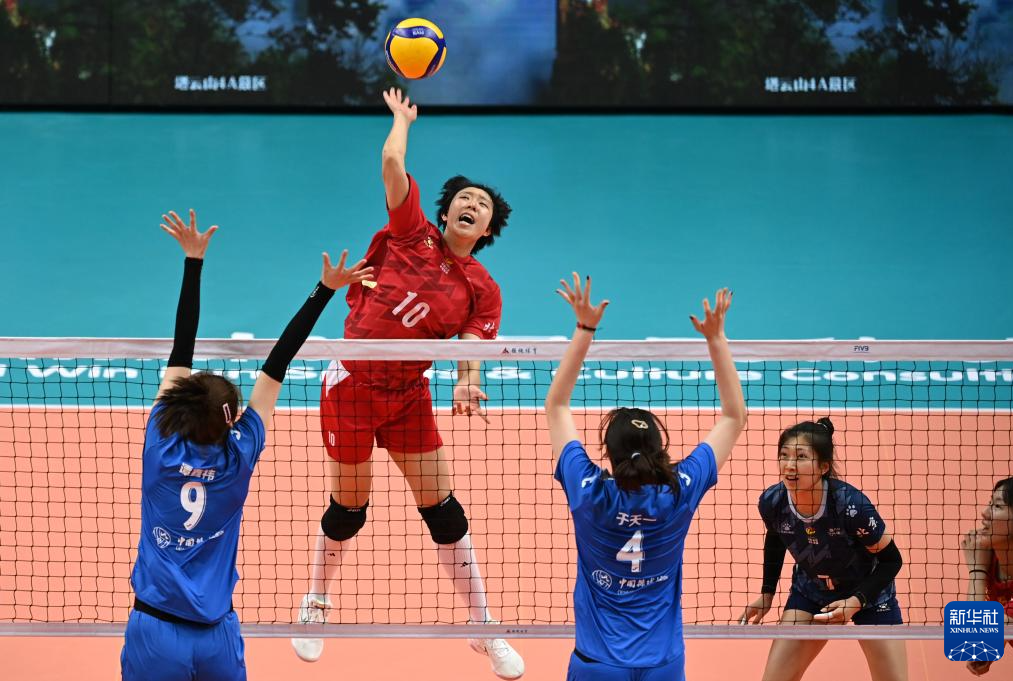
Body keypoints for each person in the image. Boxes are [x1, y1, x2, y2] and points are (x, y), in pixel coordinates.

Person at [291, 88, 523, 679]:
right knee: (350, 508)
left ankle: (484, 627)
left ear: (488, 229)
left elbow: (472, 345)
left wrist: (467, 381)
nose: (472, 204)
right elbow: (393, 164)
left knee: (442, 510)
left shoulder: (483, 288)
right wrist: (402, 120)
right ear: (445, 212)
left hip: (407, 396)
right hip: (351, 385)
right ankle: (316, 602)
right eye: (464, 198)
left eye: (482, 205)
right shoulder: (409, 232)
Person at [121, 210, 372, 681]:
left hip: (154, 631)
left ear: (181, 407)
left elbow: (181, 348)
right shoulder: (239, 455)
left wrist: (193, 262)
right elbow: (278, 362)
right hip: (217, 634)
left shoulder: (160, 443)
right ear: (231, 421)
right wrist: (325, 289)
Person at [545, 276, 746, 680]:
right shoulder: (680, 491)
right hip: (663, 664)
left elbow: (557, 405)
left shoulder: (589, 492)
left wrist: (585, 328)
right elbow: (734, 416)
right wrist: (716, 338)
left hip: (597, 664)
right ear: (659, 448)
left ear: (608, 452)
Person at [739, 417, 908, 681]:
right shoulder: (773, 501)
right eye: (784, 455)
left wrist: (856, 601)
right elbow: (776, 538)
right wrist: (767, 593)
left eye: (801, 457)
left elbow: (891, 561)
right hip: (812, 591)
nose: (789, 465)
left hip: (868, 593)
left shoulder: (851, 506)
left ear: (823, 467)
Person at [961, 475, 1013, 677]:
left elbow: (975, 645)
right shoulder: (994, 561)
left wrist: (976, 572)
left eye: (997, 506)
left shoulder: (983, 564)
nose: (984, 513)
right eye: (990, 503)